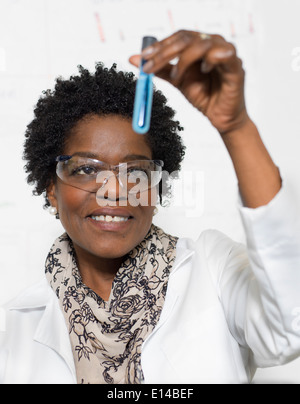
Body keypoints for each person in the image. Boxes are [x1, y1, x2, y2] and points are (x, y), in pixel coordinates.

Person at [0, 30, 300, 384]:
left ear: (155, 190)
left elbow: (289, 326)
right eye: (85, 169)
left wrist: (235, 127)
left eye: (135, 172)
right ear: (52, 190)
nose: (113, 191)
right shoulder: (12, 331)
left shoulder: (213, 271)